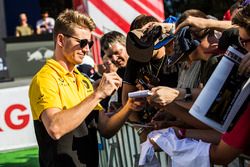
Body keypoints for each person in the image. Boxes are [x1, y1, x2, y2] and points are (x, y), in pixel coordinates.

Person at [29, 9, 145, 167]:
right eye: (82, 42)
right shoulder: (45, 79)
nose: (86, 49)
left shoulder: (82, 80)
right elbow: (55, 128)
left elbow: (105, 129)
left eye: (89, 43)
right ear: (61, 40)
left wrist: (130, 105)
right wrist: (97, 94)